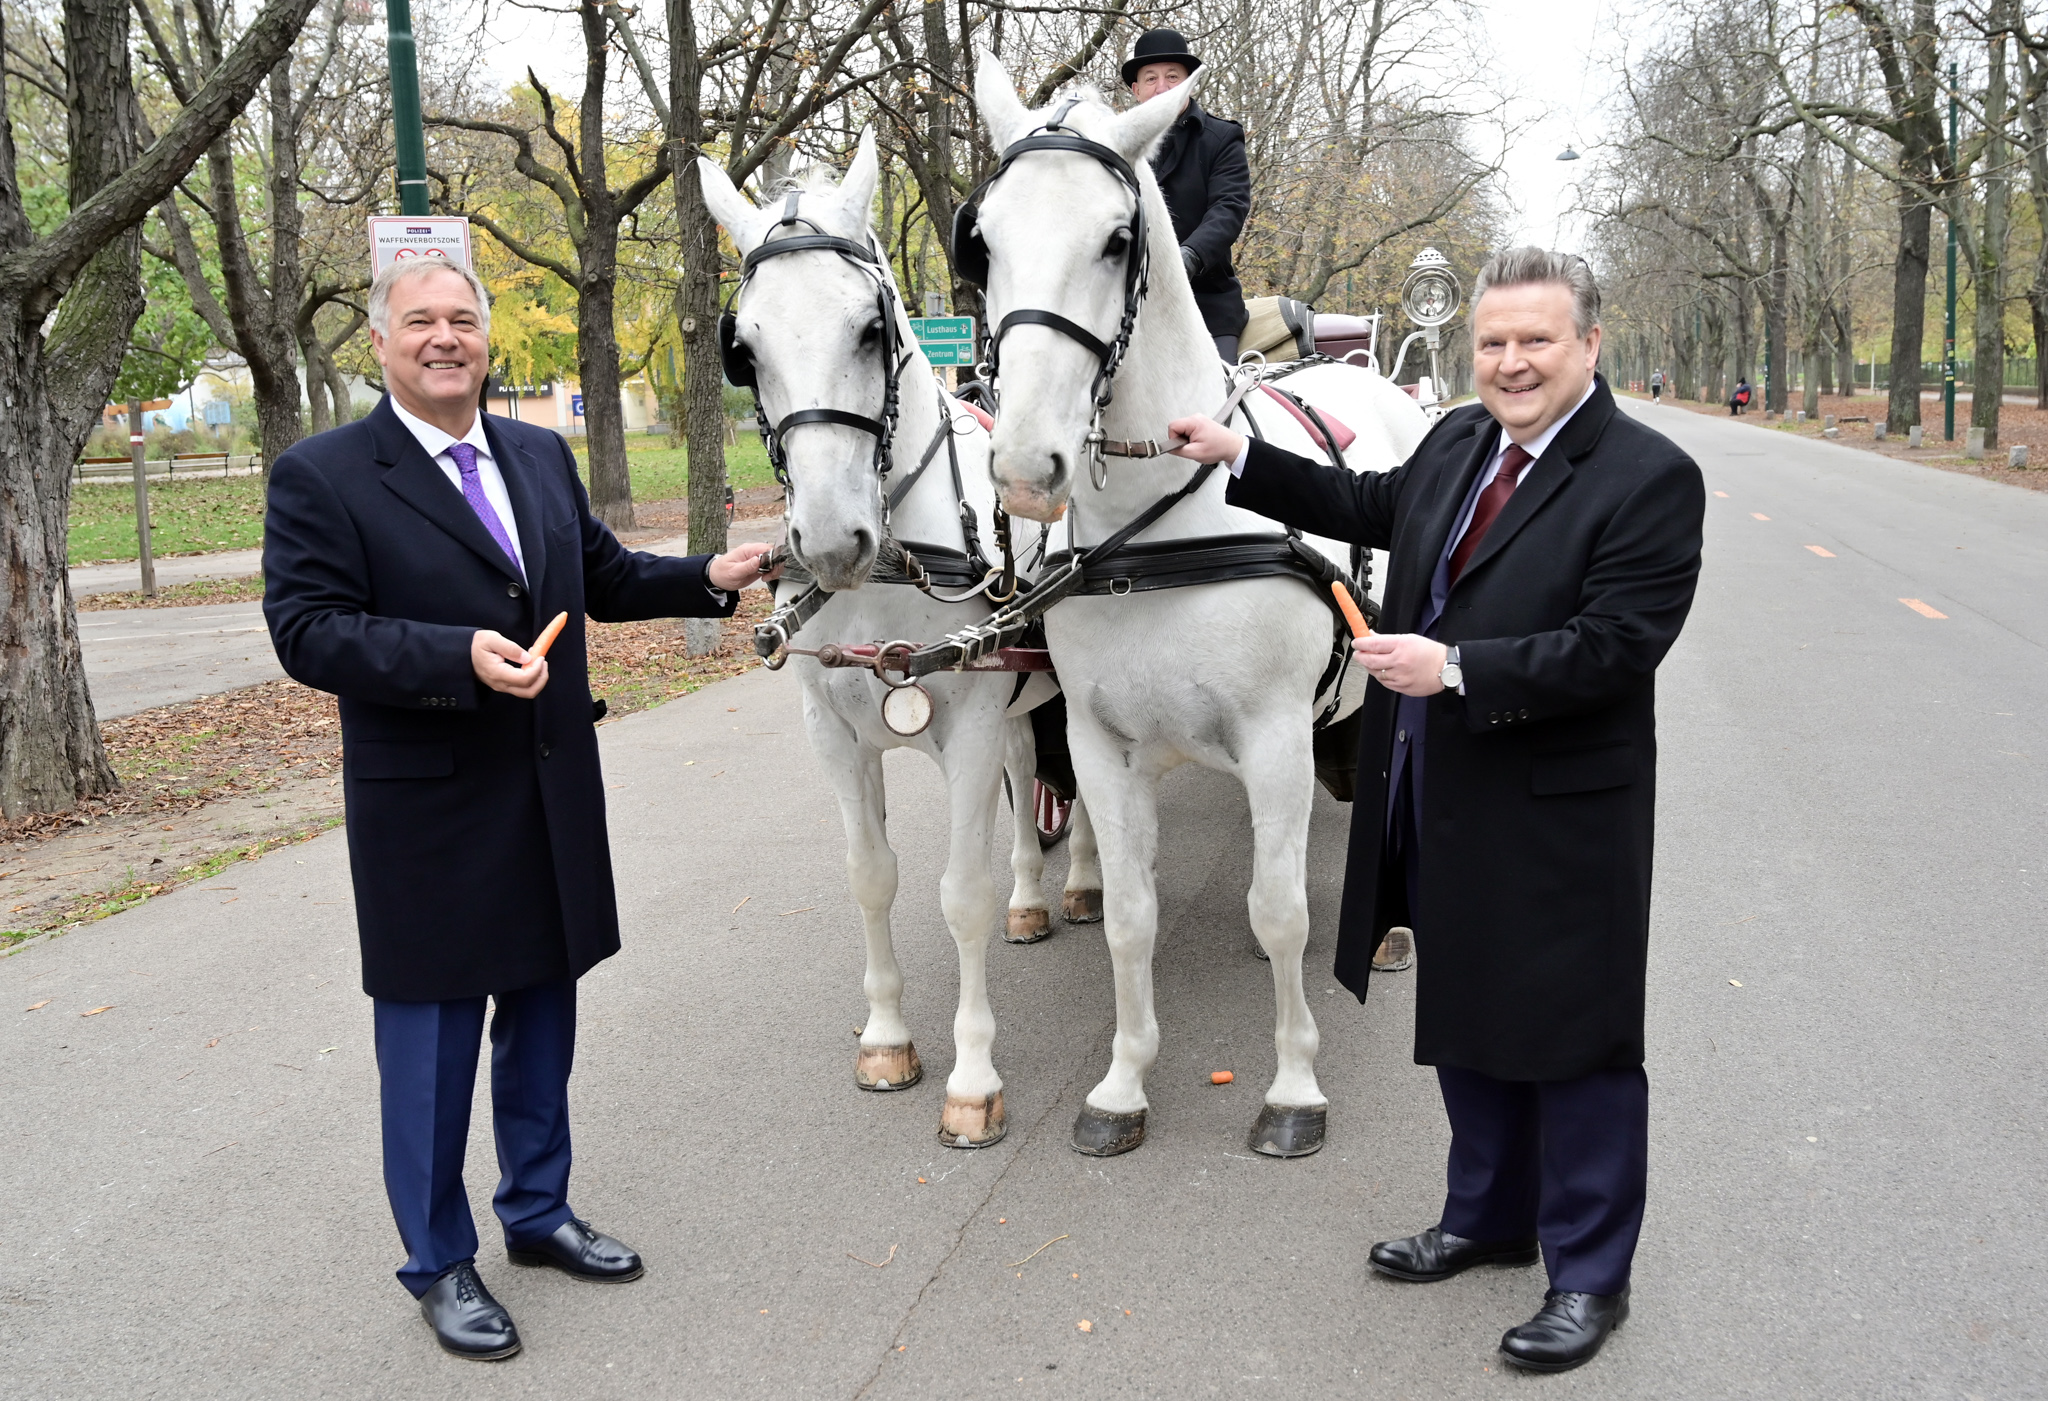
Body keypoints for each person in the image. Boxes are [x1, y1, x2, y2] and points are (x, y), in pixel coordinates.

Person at [1164, 247, 1704, 1373]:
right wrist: (1237, 457)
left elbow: (1614, 648)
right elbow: (1367, 503)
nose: (1510, 362)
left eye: (1535, 341)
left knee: (1575, 1042)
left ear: (1588, 347)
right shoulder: (1457, 439)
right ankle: (1487, 1220)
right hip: (1437, 783)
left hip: (1561, 809)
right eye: (1493, 342)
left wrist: (1453, 669)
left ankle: (1589, 1277)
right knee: (1466, 1010)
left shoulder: (1647, 477)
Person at [263, 259, 776, 1361]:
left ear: (487, 338)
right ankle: (438, 1261)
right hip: (429, 816)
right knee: (434, 1051)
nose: (444, 338)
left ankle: (537, 1214)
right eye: (420, 323)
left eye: (462, 320)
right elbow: (308, 632)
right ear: (380, 342)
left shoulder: (537, 453)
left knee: (542, 1024)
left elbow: (599, 576)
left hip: (547, 793)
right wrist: (457, 656)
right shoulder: (326, 474)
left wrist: (710, 575)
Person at [1123, 28, 1251, 362]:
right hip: (1126, 305)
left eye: (1173, 77)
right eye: (1150, 79)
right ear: (1136, 90)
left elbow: (1229, 208)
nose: (1161, 87)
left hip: (1206, 302)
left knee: (1217, 404)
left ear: (1189, 85)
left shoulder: (1222, 138)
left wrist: (1187, 258)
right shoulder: (1113, 147)